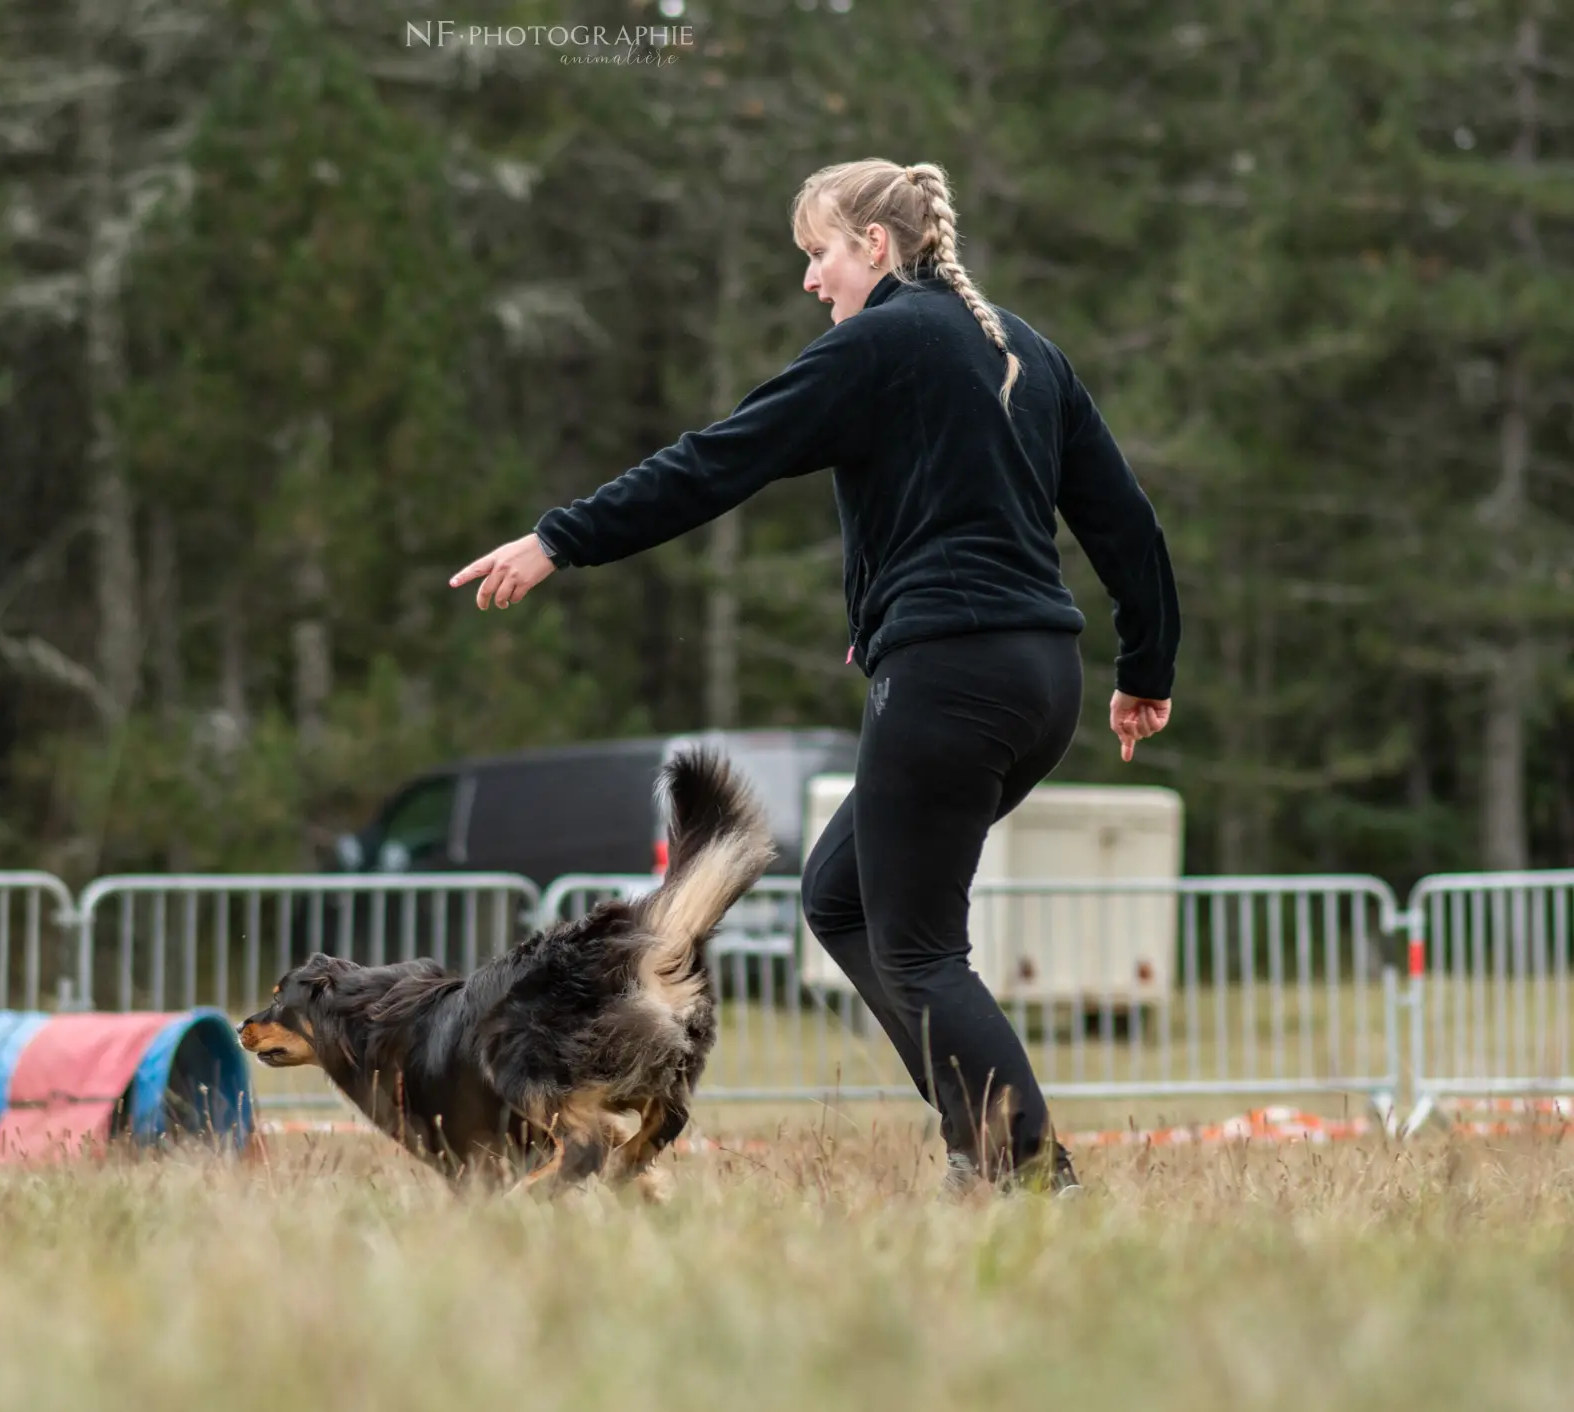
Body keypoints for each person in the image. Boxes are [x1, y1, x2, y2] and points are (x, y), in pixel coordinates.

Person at [449, 159, 1177, 1197]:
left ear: (872, 248)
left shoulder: (877, 344)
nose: (809, 281)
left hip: (950, 673)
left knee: (918, 943)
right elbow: (1122, 521)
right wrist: (1143, 665)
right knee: (840, 896)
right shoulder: (1023, 347)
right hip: (1040, 679)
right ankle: (983, 1140)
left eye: (817, 253)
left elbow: (716, 460)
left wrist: (560, 537)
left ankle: (1022, 1171)